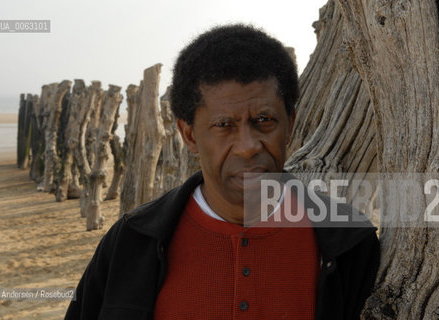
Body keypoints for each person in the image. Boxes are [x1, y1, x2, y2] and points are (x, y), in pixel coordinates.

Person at [65, 24, 380, 320]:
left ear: (290, 124)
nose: (247, 146)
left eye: (264, 121)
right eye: (224, 126)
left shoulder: (349, 243)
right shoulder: (131, 244)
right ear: (189, 136)